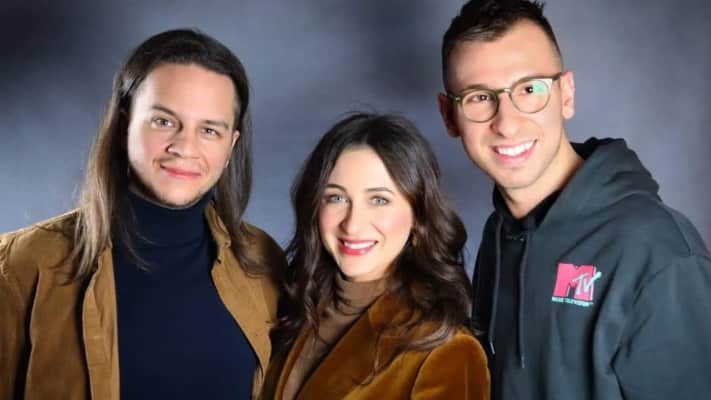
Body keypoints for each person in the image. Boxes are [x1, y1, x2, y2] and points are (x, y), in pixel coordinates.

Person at [437, 1, 711, 399]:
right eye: (479, 97)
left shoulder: (658, 253)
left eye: (530, 89)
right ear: (449, 116)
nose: (507, 123)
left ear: (566, 94)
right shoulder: (500, 234)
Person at [0, 29, 285, 400]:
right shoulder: (21, 267)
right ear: (124, 125)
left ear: (231, 145)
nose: (184, 147)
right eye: (163, 121)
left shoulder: (263, 262)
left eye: (209, 130)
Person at [261, 113, 489, 399]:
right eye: (336, 197)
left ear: (418, 218)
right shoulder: (294, 308)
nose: (352, 224)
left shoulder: (447, 351)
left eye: (379, 200)